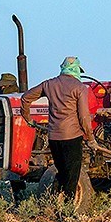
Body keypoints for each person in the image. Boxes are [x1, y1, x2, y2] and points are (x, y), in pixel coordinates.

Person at [20, 56, 94, 201]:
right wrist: (90, 138)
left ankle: (55, 204)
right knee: (71, 177)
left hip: (54, 137)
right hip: (72, 137)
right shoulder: (80, 88)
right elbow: (84, 117)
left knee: (61, 173)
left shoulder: (49, 84)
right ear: (77, 70)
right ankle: (67, 211)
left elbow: (26, 97)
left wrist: (28, 118)